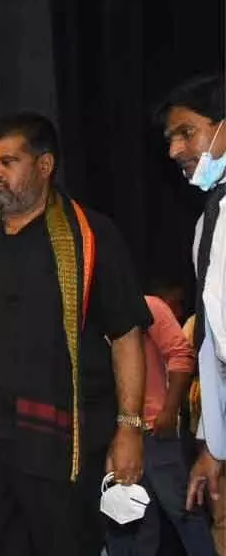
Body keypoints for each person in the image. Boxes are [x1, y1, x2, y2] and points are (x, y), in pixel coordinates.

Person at [0, 113, 150, 556]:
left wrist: (130, 427)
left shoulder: (92, 235)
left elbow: (126, 335)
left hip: (62, 444)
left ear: (44, 166)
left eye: (8, 161)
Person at [157, 75, 226, 554]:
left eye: (187, 133)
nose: (176, 149)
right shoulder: (207, 223)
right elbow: (212, 345)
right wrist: (211, 447)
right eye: (171, 138)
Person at [106, 295, 215, 555]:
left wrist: (169, 410)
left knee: (182, 510)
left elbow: (180, 354)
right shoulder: (93, 312)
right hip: (115, 436)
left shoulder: (147, 305)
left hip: (153, 429)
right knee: (133, 520)